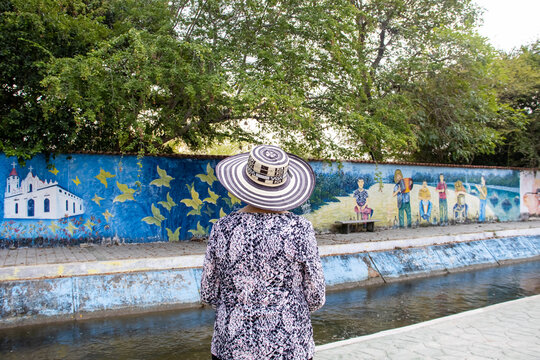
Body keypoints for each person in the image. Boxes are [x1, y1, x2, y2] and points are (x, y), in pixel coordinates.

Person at [201, 145, 325, 360]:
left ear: (244, 182)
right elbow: (316, 296)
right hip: (290, 346)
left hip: (231, 346)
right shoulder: (299, 229)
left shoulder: (222, 228)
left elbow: (208, 293)